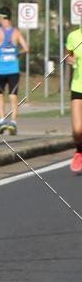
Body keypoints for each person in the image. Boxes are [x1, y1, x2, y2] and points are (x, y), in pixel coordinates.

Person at [0, 6, 28, 136]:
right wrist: (17, 53)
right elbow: (26, 48)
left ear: (4, 17)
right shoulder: (16, 32)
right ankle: (13, 123)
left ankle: (2, 120)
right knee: (13, 96)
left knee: (0, 95)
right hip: (13, 70)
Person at [65, 25, 82, 173]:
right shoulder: (73, 36)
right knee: (77, 130)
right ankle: (79, 152)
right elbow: (69, 54)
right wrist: (70, 59)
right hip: (78, 86)